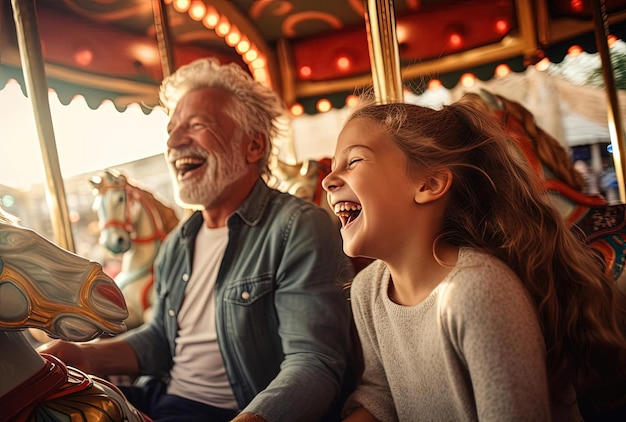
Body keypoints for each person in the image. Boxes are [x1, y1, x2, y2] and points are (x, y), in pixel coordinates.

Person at [39, 57, 355, 422]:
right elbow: (162, 338)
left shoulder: (296, 227)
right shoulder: (179, 241)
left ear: (253, 147)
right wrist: (86, 356)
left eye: (197, 125)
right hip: (161, 396)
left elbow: (314, 361)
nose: (173, 141)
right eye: (172, 130)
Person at [321, 95, 626, 421]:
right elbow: (379, 393)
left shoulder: (478, 290)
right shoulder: (369, 289)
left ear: (430, 183)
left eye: (353, 162)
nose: (327, 179)